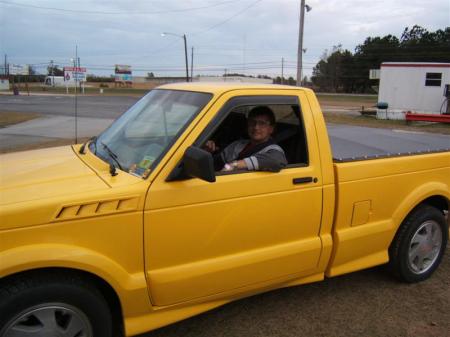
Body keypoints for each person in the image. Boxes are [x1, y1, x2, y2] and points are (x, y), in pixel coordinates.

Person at [205, 106, 287, 172]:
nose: (256, 127)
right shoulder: (237, 144)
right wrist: (207, 152)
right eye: (252, 122)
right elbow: (215, 164)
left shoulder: (273, 150)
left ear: (271, 129)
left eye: (262, 123)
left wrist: (233, 165)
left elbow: (276, 161)